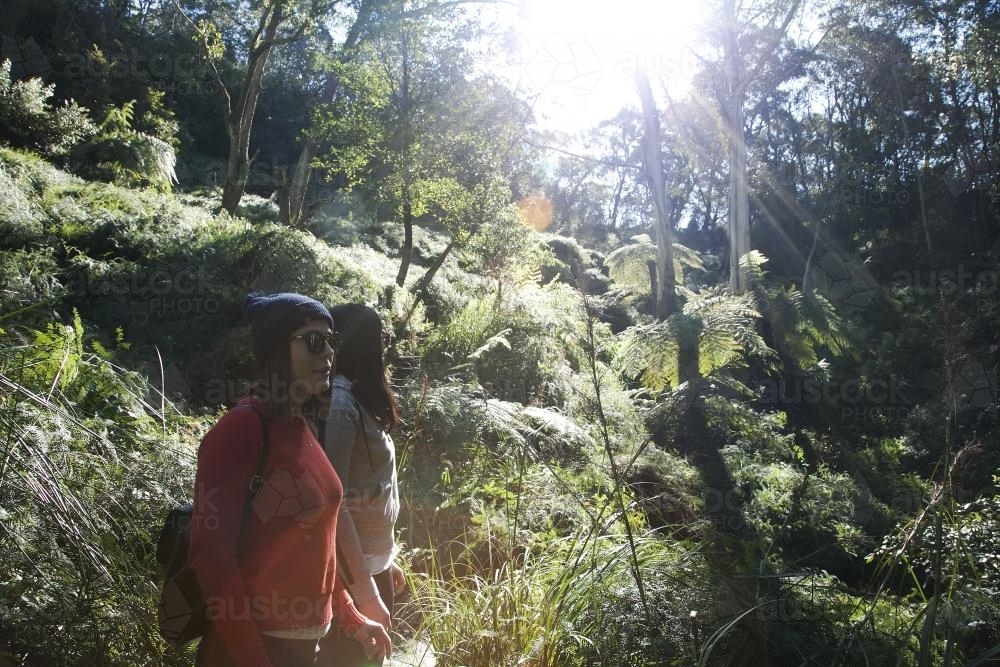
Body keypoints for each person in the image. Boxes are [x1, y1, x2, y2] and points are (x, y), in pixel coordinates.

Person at [189, 292, 391, 666]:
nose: (328, 353)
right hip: (255, 648)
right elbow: (211, 557)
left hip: (305, 647)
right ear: (278, 349)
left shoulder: (299, 427)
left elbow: (316, 551)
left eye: (331, 341)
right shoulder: (243, 428)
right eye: (314, 341)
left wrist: (351, 617)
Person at [320, 304, 406, 666]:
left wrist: (387, 557)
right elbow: (333, 502)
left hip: (373, 562)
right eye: (380, 339)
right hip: (355, 574)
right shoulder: (341, 405)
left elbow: (374, 486)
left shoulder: (359, 398)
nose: (383, 348)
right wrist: (365, 592)